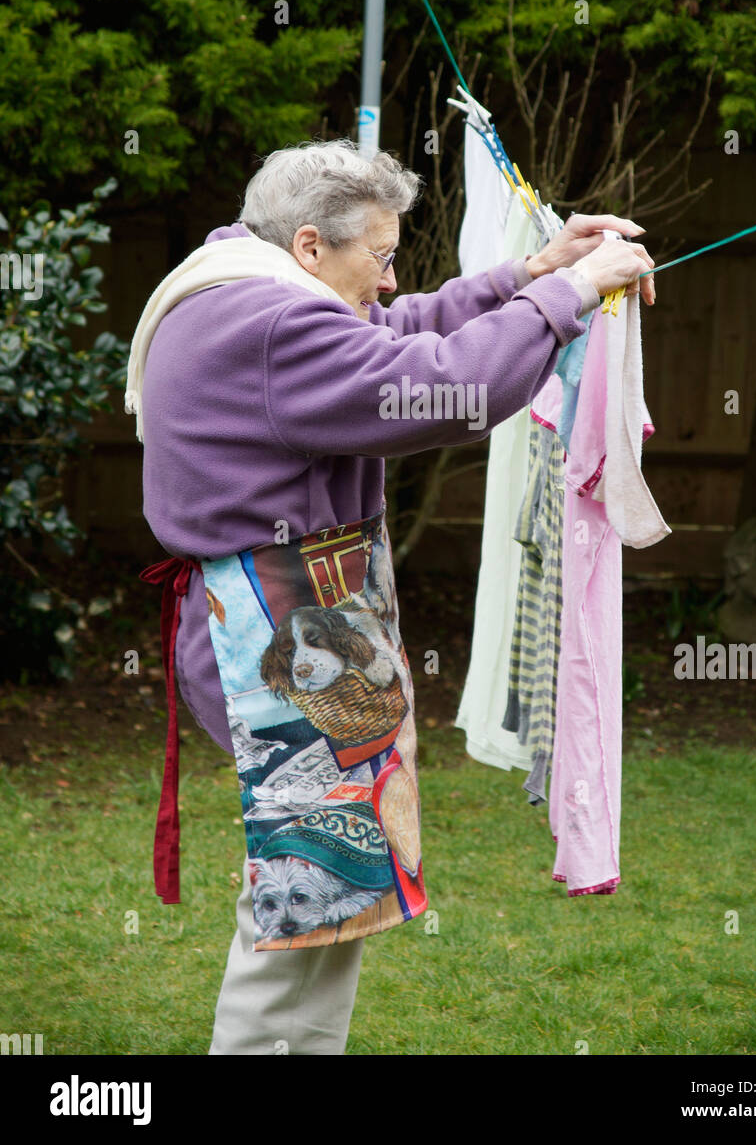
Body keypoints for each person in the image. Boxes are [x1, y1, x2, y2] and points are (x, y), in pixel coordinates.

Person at [127, 138, 655, 1055]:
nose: (391, 274)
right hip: (283, 653)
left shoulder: (241, 284)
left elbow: (394, 331)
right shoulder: (269, 326)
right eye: (381, 253)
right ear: (308, 246)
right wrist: (567, 298)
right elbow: (444, 386)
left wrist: (532, 271)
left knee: (329, 900)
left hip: (287, 635)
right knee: (302, 900)